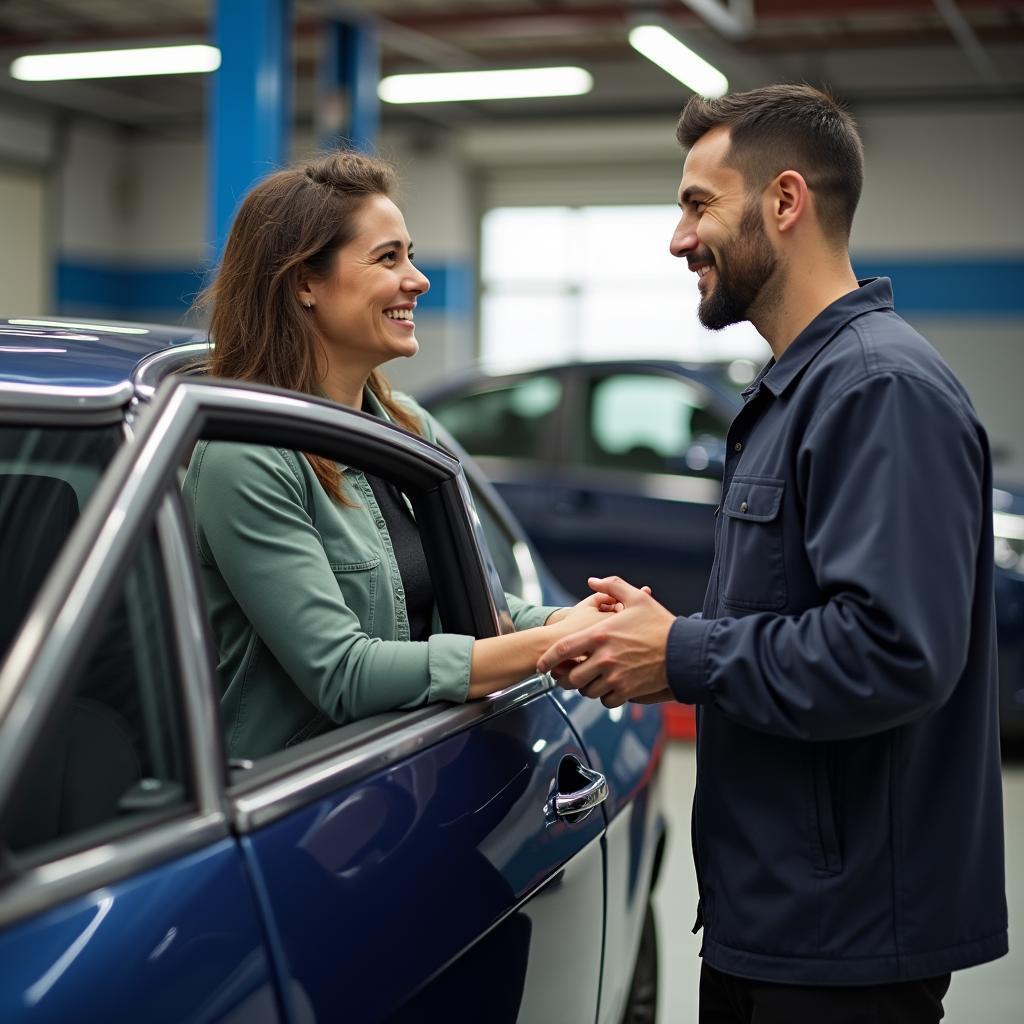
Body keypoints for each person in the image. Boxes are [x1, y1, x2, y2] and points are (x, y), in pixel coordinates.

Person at [537, 84, 1007, 1022]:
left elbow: (891, 651)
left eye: (698, 204)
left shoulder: (877, 390)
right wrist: (666, 633)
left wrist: (678, 652)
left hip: (846, 941)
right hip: (780, 915)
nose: (679, 238)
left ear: (785, 202)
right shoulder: (801, 390)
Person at [184, 151, 612, 760]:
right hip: (302, 802)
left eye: (409, 254)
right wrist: (555, 648)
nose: (418, 279)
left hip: (414, 769)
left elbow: (475, 604)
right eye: (389, 258)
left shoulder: (410, 430)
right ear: (305, 282)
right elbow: (345, 674)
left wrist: (563, 622)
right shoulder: (249, 456)